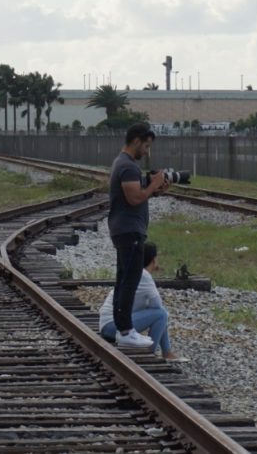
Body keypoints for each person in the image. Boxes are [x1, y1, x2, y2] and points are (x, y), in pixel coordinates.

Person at [107, 122, 167, 348]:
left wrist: (155, 189)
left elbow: (137, 197)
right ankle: (125, 330)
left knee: (124, 280)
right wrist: (153, 185)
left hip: (125, 229)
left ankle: (123, 328)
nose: (147, 151)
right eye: (146, 146)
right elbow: (134, 199)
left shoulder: (122, 163)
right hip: (129, 231)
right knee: (129, 281)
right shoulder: (128, 166)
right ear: (136, 141)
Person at [99, 242, 188, 362]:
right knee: (161, 314)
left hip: (108, 326)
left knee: (160, 313)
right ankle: (151, 352)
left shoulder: (133, 272)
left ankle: (167, 352)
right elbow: (157, 306)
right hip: (113, 327)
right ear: (154, 259)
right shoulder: (144, 275)